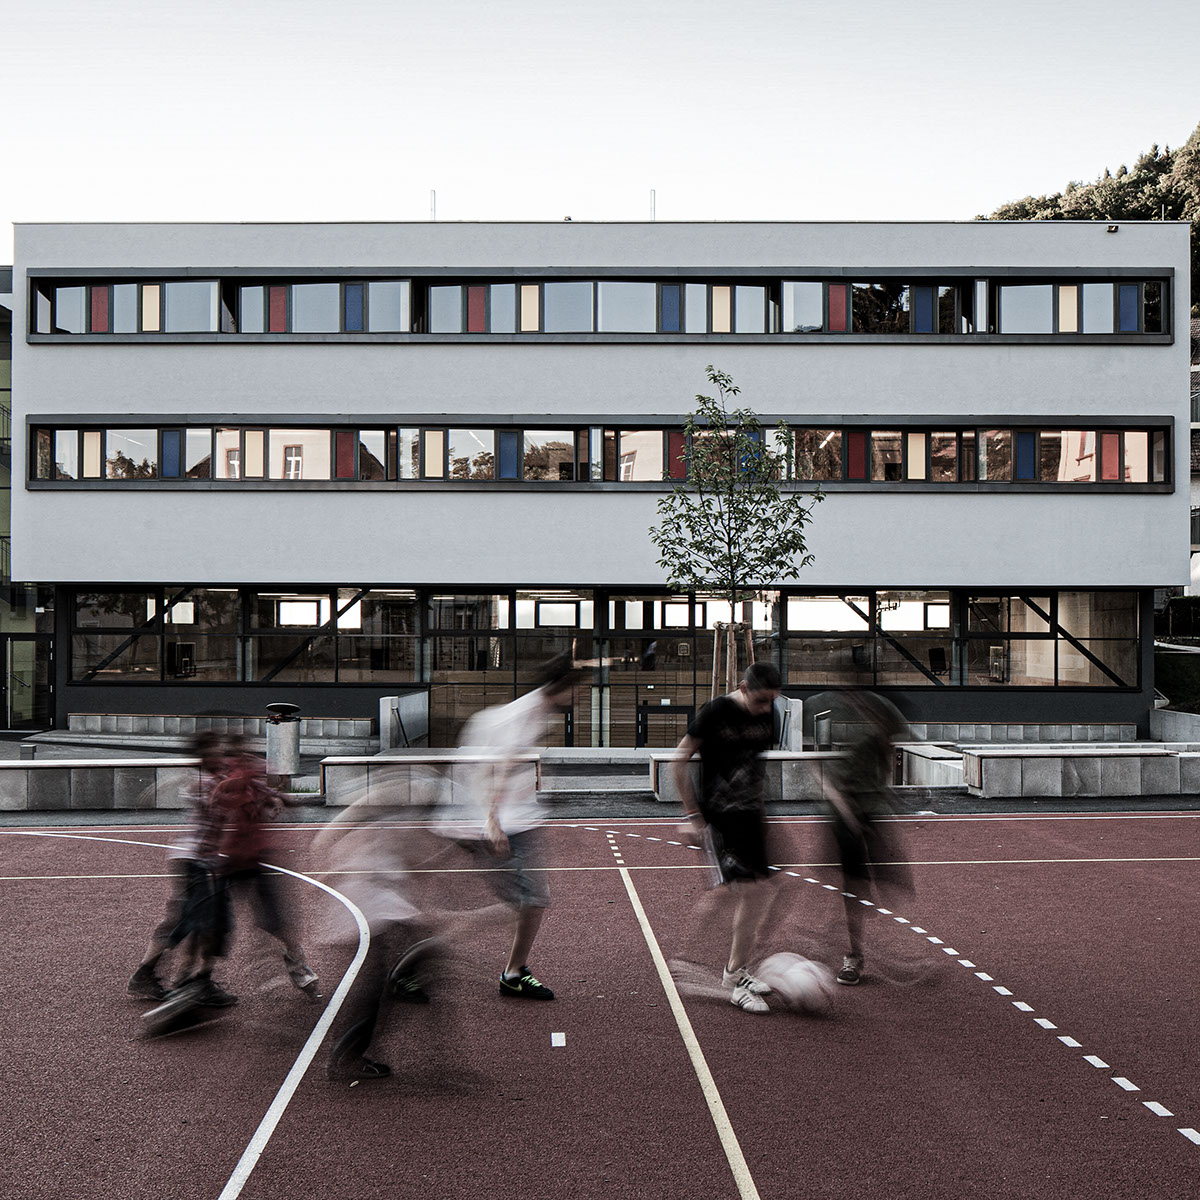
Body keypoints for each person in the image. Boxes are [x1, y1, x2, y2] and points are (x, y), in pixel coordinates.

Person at [456, 653, 579, 1001]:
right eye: (576, 689)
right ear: (562, 686)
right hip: (500, 821)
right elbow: (497, 767)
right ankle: (413, 961)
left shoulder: (532, 711)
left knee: (528, 901)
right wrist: (492, 822)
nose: (579, 697)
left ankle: (514, 971)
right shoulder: (526, 714)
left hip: (513, 819)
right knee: (522, 902)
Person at [673, 661, 782, 1014]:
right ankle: (727, 975)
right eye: (762, 700)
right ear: (743, 687)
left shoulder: (769, 715)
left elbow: (756, 768)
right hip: (719, 818)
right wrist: (692, 817)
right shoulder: (716, 712)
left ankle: (737, 969)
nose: (767, 709)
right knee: (742, 891)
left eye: (772, 701)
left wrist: (763, 816)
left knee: (761, 891)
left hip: (751, 816)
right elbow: (679, 759)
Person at [128, 731, 237, 1007]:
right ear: (203, 756)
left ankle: (197, 979)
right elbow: (219, 798)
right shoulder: (205, 783)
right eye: (216, 751)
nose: (221, 755)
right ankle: (150, 974)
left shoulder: (214, 779)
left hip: (211, 862)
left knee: (213, 923)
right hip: (195, 861)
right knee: (187, 921)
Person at [208, 736, 320, 1000]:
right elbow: (225, 805)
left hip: (250, 861)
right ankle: (201, 979)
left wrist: (277, 801)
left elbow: (270, 795)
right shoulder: (228, 782)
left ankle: (295, 964)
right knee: (221, 924)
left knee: (272, 920)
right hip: (232, 862)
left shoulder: (248, 779)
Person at [821, 689, 914, 985]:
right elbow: (830, 783)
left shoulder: (883, 744)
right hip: (845, 820)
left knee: (892, 883)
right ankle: (851, 955)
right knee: (854, 887)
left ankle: (849, 942)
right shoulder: (859, 743)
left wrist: (900, 807)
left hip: (869, 816)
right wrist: (850, 818)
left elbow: (879, 785)